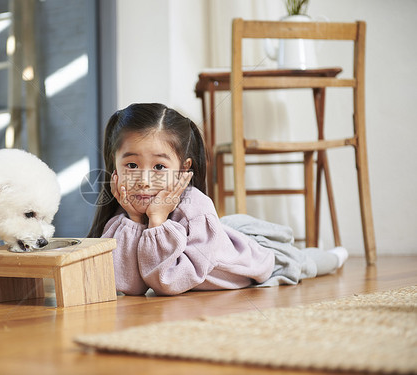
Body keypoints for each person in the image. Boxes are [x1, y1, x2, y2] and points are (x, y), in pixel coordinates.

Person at [88, 103, 348, 296]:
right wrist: (134, 219)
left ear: (183, 168)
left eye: (159, 167)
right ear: (115, 167)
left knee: (304, 263)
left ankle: (336, 257)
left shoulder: (195, 209)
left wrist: (156, 221)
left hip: (258, 261)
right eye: (131, 165)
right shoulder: (124, 217)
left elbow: (169, 282)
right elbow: (130, 285)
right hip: (223, 243)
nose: (143, 180)